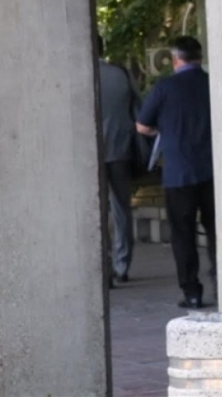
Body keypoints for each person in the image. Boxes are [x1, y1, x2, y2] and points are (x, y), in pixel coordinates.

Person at [136, 36, 216, 309]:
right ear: (199, 57)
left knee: (183, 235)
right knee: (217, 231)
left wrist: (165, 130)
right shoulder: (213, 84)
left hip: (179, 173)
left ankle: (192, 292)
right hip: (213, 172)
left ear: (175, 59)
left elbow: (142, 126)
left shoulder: (164, 88)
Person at [97, 37, 140, 285]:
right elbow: (138, 109)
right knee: (121, 208)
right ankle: (122, 265)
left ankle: (103, 267)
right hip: (120, 149)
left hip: (91, 154)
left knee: (97, 210)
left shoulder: (78, 75)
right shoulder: (120, 74)